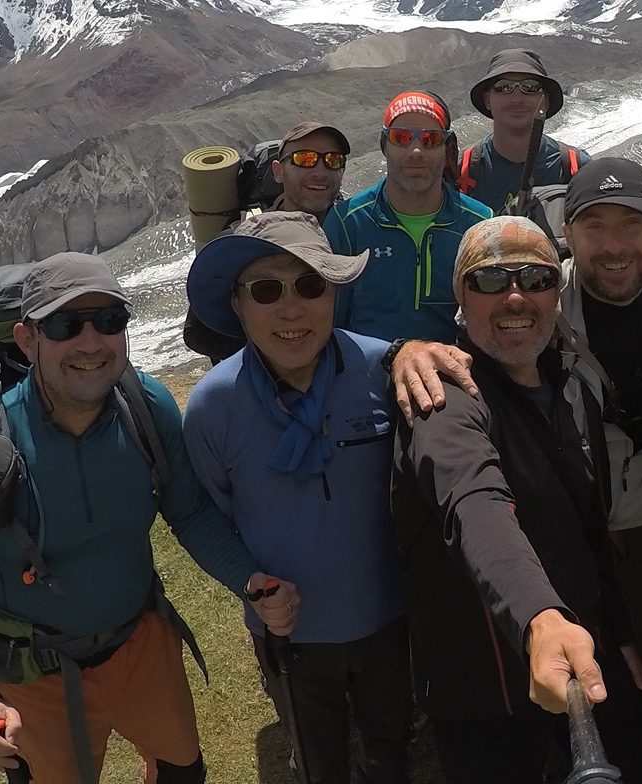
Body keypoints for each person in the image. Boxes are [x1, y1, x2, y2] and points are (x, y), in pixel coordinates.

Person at [0, 252, 294, 784]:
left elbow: (189, 513)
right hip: (33, 672)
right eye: (67, 325)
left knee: (183, 772)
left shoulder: (148, 406)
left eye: (110, 322)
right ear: (28, 340)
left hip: (139, 641)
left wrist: (248, 579)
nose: (92, 343)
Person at [391, 216, 642, 782]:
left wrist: (618, 634)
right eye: (489, 280)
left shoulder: (571, 384)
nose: (515, 296)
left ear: (558, 289)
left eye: (535, 277)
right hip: (485, 681)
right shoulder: (444, 401)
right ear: (459, 297)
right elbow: (474, 501)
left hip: (581, 645)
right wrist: (540, 621)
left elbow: (590, 527)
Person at [179, 212, 411, 784]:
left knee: (392, 748)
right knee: (316, 760)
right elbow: (208, 513)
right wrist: (251, 582)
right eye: (265, 289)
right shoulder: (212, 407)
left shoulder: (386, 369)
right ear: (237, 305)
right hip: (289, 633)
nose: (291, 308)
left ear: (333, 293)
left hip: (390, 618)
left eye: (311, 284)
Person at [325, 90, 494, 343]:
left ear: (446, 148)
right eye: (401, 138)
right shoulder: (347, 223)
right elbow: (329, 323)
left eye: (430, 139)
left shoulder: (479, 224)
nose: (416, 151)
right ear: (384, 145)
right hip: (367, 375)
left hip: (454, 375)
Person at [184, 121, 353, 364]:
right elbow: (202, 335)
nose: (320, 171)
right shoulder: (242, 240)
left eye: (333, 160)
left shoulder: (353, 231)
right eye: (304, 159)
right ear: (278, 171)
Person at [460, 49, 591, 214]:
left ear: (545, 100)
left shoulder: (576, 169)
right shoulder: (460, 170)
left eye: (530, 87)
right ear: (487, 100)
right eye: (503, 87)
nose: (517, 99)